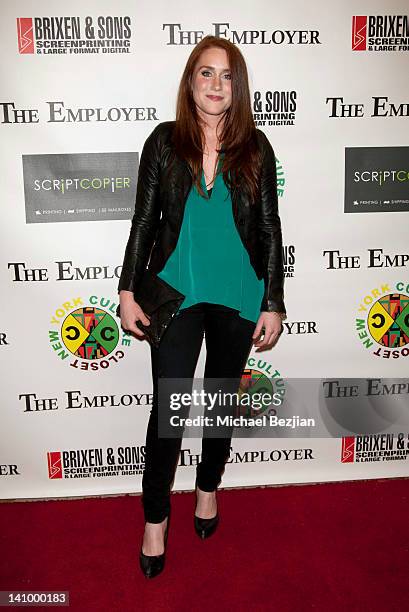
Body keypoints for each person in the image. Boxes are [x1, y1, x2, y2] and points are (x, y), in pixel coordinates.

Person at [118, 35, 286, 578]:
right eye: (206, 73)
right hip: (176, 293)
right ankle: (155, 517)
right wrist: (126, 289)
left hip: (238, 296)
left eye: (227, 75)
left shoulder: (257, 149)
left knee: (219, 403)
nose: (216, 84)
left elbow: (268, 228)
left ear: (236, 89)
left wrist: (273, 300)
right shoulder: (164, 142)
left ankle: (209, 486)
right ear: (190, 84)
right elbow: (144, 221)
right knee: (168, 412)